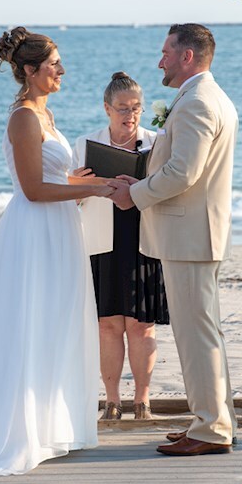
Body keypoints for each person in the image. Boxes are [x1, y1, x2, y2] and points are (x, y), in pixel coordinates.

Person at [0, 27, 112, 479]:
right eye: (54, 64)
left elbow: (57, 181)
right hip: (33, 233)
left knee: (56, 321)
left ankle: (53, 424)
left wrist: (98, 182)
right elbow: (33, 190)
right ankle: (20, 430)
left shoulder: (46, 115)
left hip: (59, 230)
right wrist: (94, 186)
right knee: (31, 321)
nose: (62, 70)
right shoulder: (23, 119)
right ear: (31, 71)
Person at [109, 23, 238, 457]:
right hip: (196, 233)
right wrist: (141, 176)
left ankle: (209, 430)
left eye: (166, 51)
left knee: (195, 335)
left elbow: (185, 172)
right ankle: (217, 421)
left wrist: (135, 195)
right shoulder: (205, 96)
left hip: (189, 236)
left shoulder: (197, 102)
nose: (159, 59)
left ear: (187, 56)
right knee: (206, 333)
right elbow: (180, 165)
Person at [73, 72, 169, 421]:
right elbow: (69, 196)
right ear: (107, 109)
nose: (130, 115)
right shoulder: (85, 145)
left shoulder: (157, 142)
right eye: (122, 108)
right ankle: (112, 402)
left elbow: (169, 189)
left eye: (136, 108)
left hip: (144, 238)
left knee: (140, 325)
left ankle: (142, 401)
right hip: (102, 241)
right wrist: (80, 185)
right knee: (108, 325)